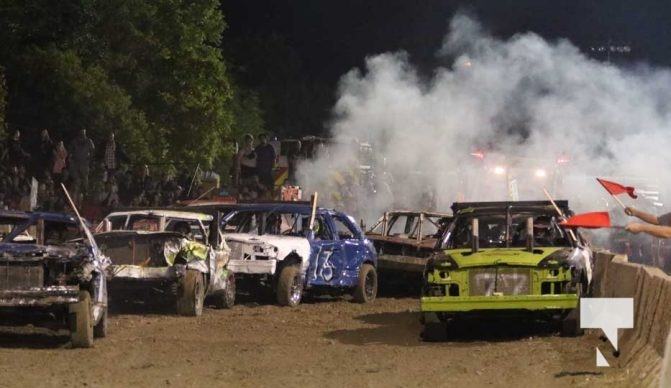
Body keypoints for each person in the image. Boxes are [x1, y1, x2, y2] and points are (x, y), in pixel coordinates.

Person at [68, 129, 96, 196]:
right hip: (76, 162)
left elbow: (93, 150)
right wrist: (70, 158)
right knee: (76, 178)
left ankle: (85, 191)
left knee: (85, 177)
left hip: (85, 162)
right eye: (81, 132)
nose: (82, 133)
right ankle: (75, 191)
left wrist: (90, 158)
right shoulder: (75, 141)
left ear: (85, 132)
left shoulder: (89, 141)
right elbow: (70, 150)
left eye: (83, 132)